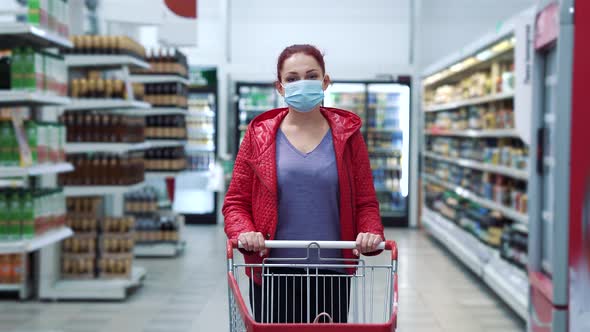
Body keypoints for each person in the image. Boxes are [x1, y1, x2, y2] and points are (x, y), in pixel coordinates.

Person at [223, 44, 384, 324]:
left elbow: (365, 201)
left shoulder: (348, 137)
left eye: (311, 76)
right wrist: (245, 232)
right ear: (280, 87)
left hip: (332, 270)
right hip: (273, 270)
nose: (302, 84)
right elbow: (235, 202)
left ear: (325, 81)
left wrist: (370, 232)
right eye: (292, 78)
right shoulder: (258, 137)